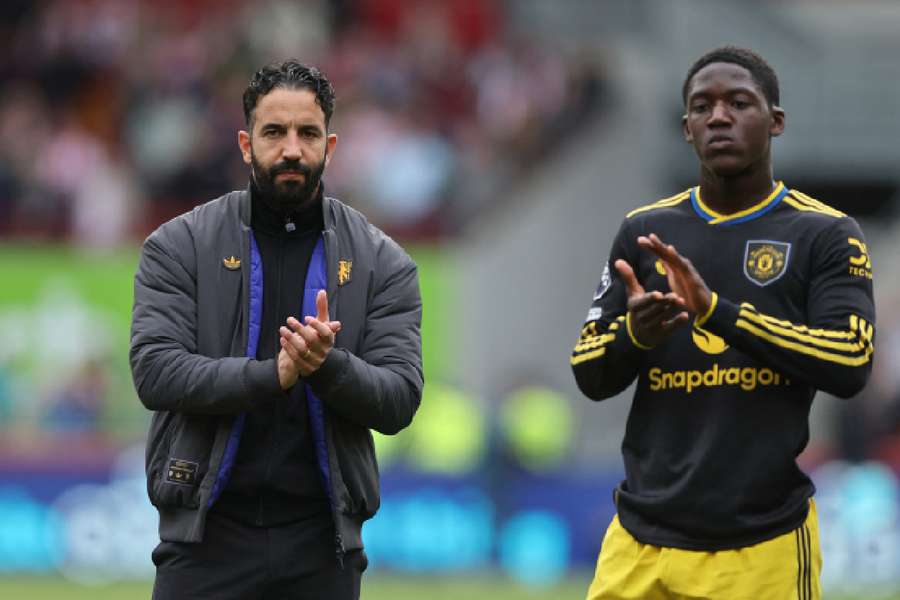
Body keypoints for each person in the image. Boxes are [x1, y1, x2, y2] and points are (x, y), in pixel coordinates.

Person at [571, 46, 875, 600]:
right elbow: (589, 372)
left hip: (760, 545)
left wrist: (718, 313)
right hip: (641, 541)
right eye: (701, 106)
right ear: (686, 128)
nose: (718, 116)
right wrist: (636, 336)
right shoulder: (645, 231)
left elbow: (850, 362)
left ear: (775, 121)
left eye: (739, 103)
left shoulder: (825, 234)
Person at [130, 60, 423, 599]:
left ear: (330, 146)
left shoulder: (385, 263)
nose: (292, 149)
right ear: (245, 144)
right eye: (274, 132)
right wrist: (275, 375)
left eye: (308, 133)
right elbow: (155, 372)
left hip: (323, 547)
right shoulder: (178, 246)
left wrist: (325, 366)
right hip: (202, 543)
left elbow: (400, 398)